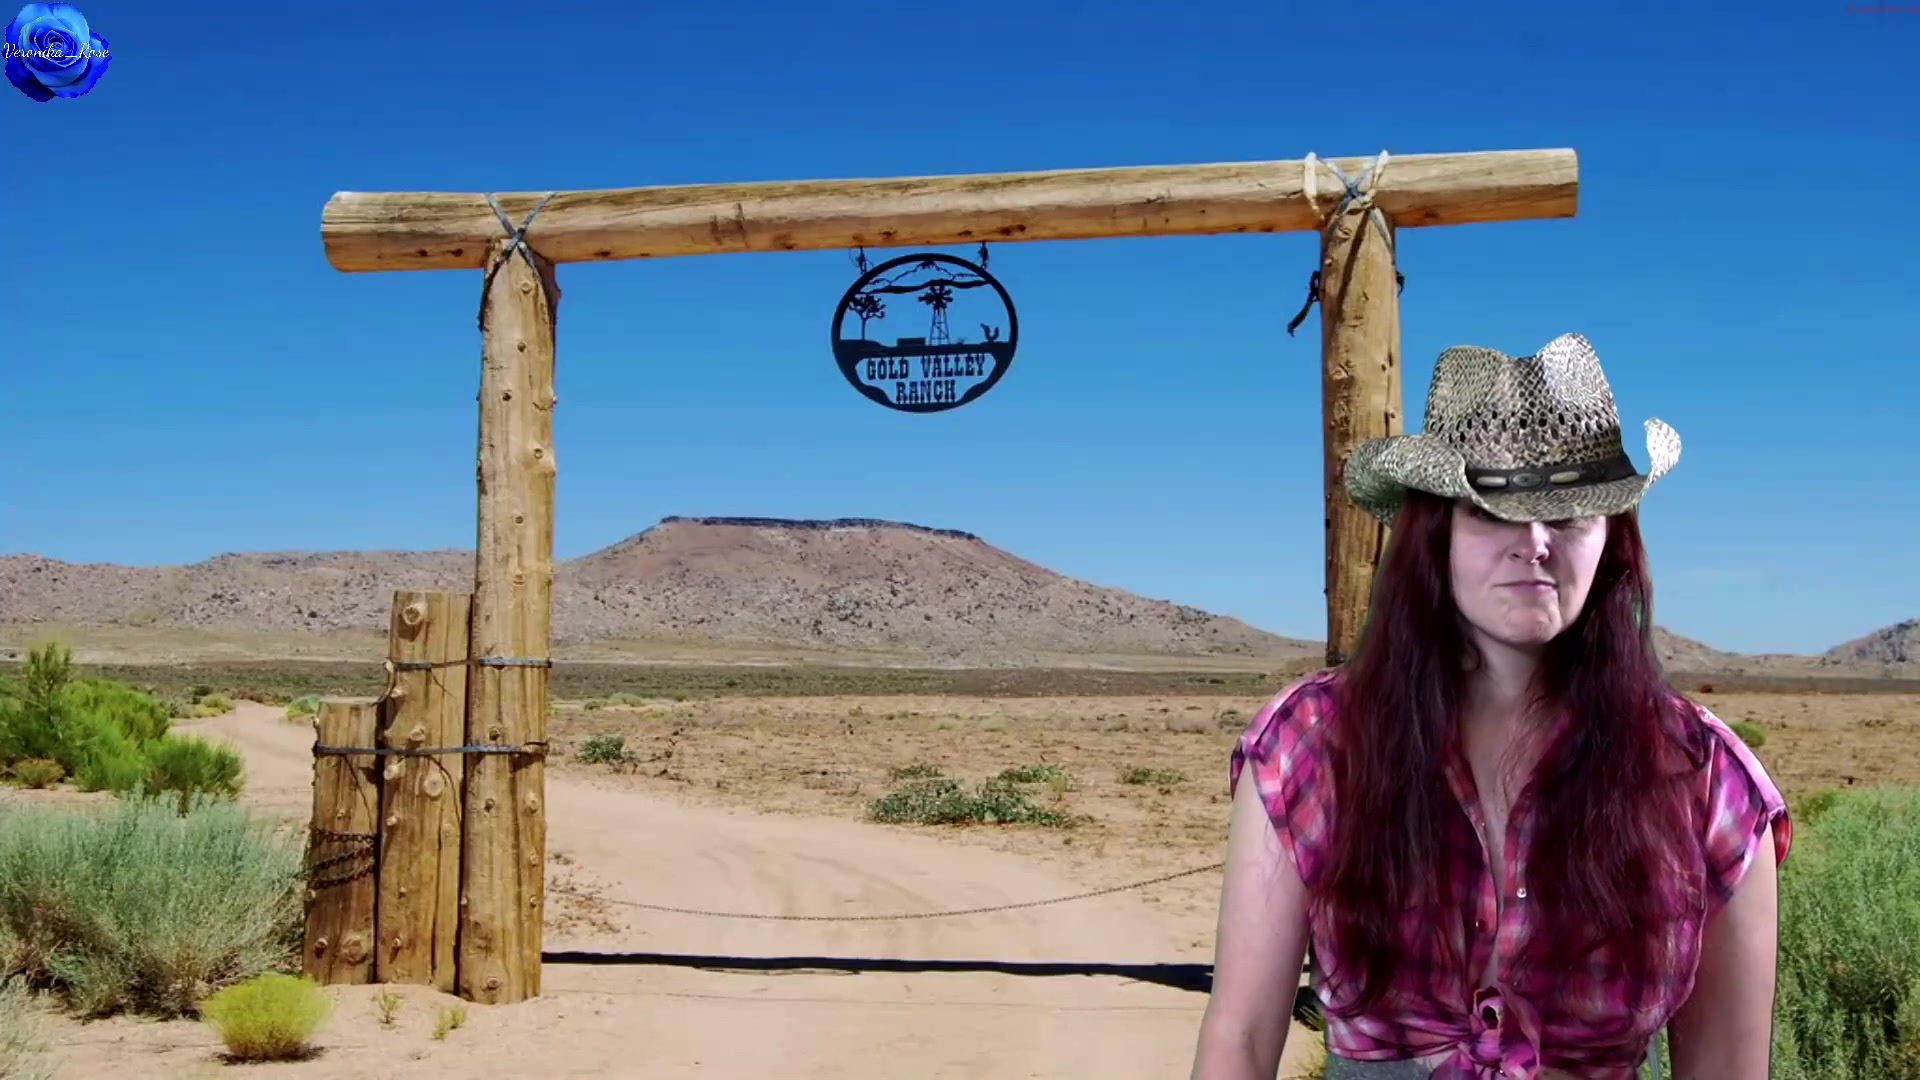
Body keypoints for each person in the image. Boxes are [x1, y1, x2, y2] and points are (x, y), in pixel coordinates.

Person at [1190, 333, 1790, 1080]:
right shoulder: (1311, 744)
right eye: (1492, 511)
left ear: (1611, 537)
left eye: (1567, 513)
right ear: (1435, 532)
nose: (1533, 543)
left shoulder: (1703, 777)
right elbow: (1242, 1039)